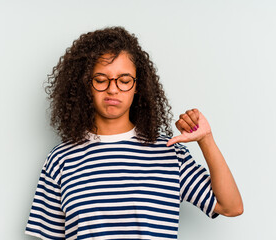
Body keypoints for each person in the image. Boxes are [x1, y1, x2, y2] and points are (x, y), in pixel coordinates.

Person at [25, 26, 243, 240]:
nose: (113, 89)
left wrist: (205, 140)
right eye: (101, 80)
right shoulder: (61, 158)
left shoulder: (168, 152)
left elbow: (230, 206)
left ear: (138, 86)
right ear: (86, 85)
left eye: (124, 80)